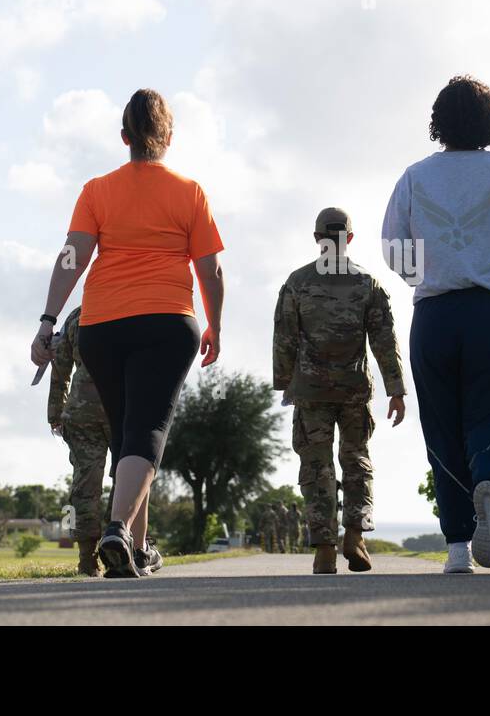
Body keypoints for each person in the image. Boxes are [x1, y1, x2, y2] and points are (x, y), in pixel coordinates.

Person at [30, 88, 225, 578]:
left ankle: (136, 550)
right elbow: (211, 270)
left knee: (126, 435)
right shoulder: (190, 192)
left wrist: (48, 320)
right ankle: (118, 530)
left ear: (124, 137)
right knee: (147, 432)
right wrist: (215, 325)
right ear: (169, 137)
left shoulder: (96, 190)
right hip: (167, 322)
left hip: (101, 327)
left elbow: (72, 257)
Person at [381, 76, 490, 574]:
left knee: (441, 425)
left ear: (439, 122)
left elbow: (393, 246)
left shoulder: (414, 177)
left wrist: (429, 274)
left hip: (434, 317)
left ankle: (457, 548)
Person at [273, 208, 407, 574]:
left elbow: (284, 337)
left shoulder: (297, 283)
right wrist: (395, 389)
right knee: (356, 461)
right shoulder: (368, 283)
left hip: (311, 391)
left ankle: (325, 551)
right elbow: (384, 340)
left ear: (317, 238)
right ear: (349, 238)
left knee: (316, 467)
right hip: (355, 391)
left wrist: (285, 383)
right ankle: (356, 537)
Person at [47, 305, 108, 576]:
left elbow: (60, 368)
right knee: (130, 476)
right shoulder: (133, 305)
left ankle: (87, 559)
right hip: (123, 405)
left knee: (85, 482)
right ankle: (121, 542)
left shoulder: (76, 316)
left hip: (82, 409)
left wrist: (55, 413)